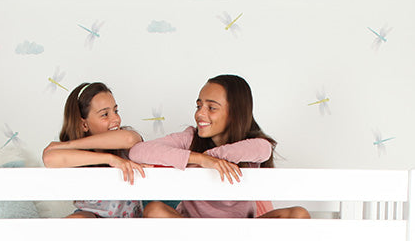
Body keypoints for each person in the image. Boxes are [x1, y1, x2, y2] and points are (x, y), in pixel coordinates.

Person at [128, 74, 310, 219]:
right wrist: (200, 159)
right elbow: (138, 151)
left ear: (234, 113)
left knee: (299, 213)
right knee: (154, 209)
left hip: (241, 231)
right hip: (192, 230)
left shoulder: (253, 144)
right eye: (199, 106)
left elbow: (263, 149)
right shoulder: (190, 138)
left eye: (211, 108)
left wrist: (210, 159)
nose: (200, 113)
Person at [42, 82, 144, 219]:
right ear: (84, 124)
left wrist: (68, 145)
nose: (116, 119)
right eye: (105, 114)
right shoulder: (77, 157)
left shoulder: (123, 142)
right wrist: (109, 159)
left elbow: (130, 139)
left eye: (115, 111)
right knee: (77, 219)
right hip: (93, 227)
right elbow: (50, 158)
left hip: (131, 225)